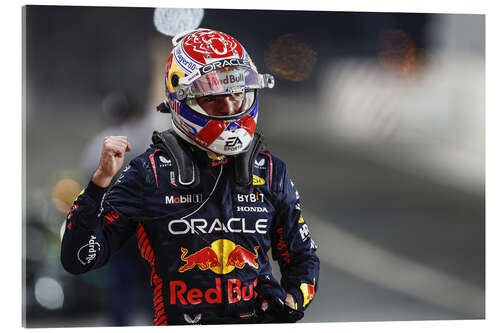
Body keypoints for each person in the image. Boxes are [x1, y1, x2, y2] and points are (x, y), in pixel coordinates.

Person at [61, 28, 320, 325]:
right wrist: (97, 186)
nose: (231, 107)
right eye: (214, 97)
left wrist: (291, 301)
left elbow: (303, 259)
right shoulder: (148, 174)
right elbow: (79, 259)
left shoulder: (272, 171)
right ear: (182, 101)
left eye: (236, 93)